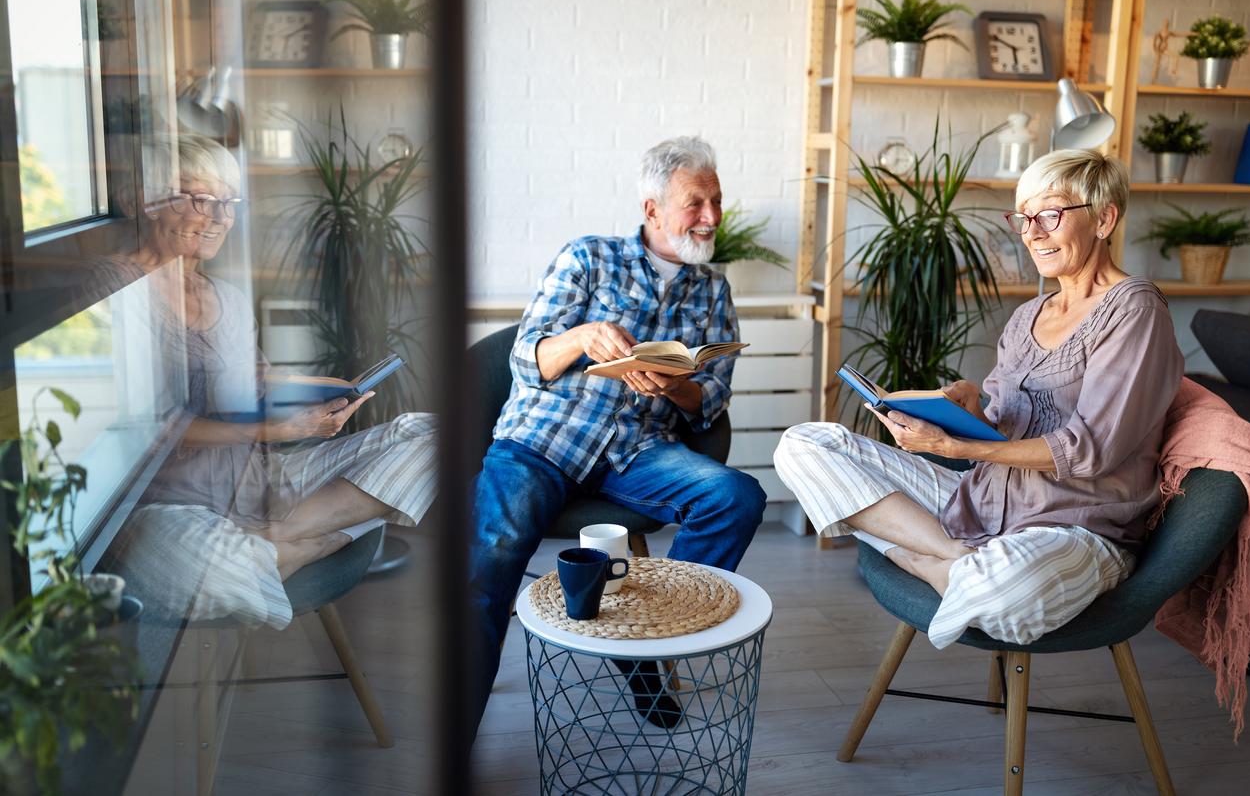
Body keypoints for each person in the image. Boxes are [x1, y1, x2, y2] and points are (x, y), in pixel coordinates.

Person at [775, 149, 1183, 649]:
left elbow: (1089, 450)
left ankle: (923, 559)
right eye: (1025, 218)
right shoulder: (1027, 316)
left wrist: (960, 449)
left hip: (1076, 527)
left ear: (1104, 218)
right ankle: (953, 557)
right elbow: (1002, 427)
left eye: (1050, 214)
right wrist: (967, 413)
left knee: (1003, 588)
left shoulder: (1135, 310)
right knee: (805, 444)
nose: (1032, 232)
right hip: (982, 507)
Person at [468, 135, 767, 733]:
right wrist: (582, 338)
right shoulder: (588, 257)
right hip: (544, 438)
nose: (710, 217)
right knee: (494, 554)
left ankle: (645, 644)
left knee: (737, 497)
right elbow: (526, 361)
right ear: (652, 208)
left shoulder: (713, 291)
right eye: (694, 203)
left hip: (639, 449)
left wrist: (673, 384)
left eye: (716, 201)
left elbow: (708, 403)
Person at [97, 134, 438, 628]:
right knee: (217, 569)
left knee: (434, 436)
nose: (219, 218)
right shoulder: (116, 288)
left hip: (258, 485)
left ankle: (277, 535)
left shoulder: (229, 299)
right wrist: (277, 431)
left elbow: (252, 381)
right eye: (200, 198)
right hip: (166, 508)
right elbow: (145, 429)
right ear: (142, 202)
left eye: (228, 202)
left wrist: (324, 387)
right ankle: (317, 539)